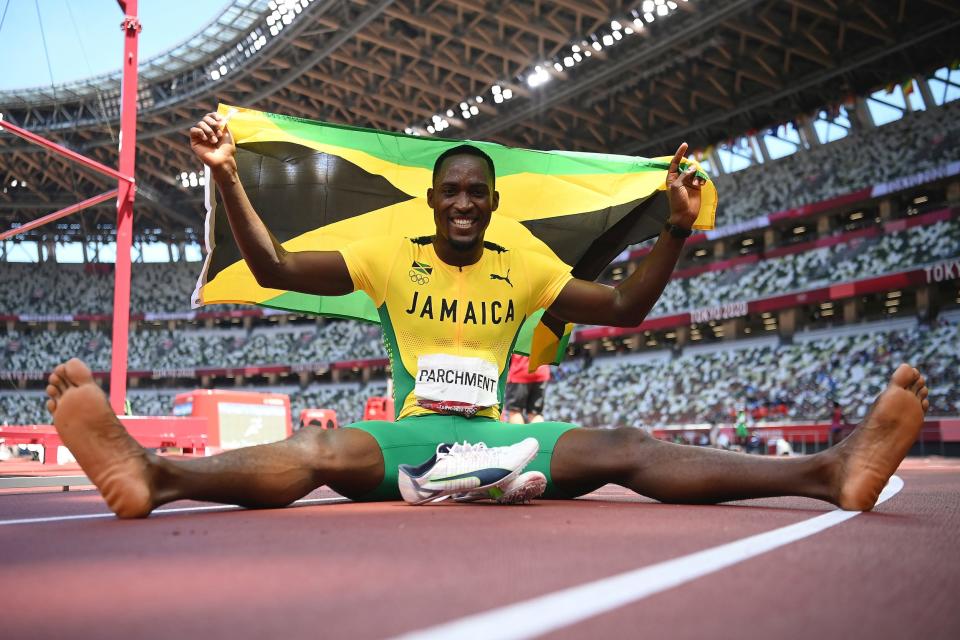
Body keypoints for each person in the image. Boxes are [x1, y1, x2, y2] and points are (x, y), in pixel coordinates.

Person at [41, 111, 929, 518]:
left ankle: (828, 474)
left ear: (493, 203)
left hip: (500, 444)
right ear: (432, 199)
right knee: (319, 451)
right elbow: (271, 263)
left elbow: (624, 306)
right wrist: (229, 174)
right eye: (451, 193)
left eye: (477, 195)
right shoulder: (392, 249)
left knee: (622, 446)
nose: (463, 204)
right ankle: (155, 475)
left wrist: (674, 228)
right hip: (412, 438)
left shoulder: (525, 261)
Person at [505, 354, 551, 424]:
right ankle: (536, 435)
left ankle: (518, 435)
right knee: (535, 413)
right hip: (541, 370)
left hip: (520, 370)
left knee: (515, 411)